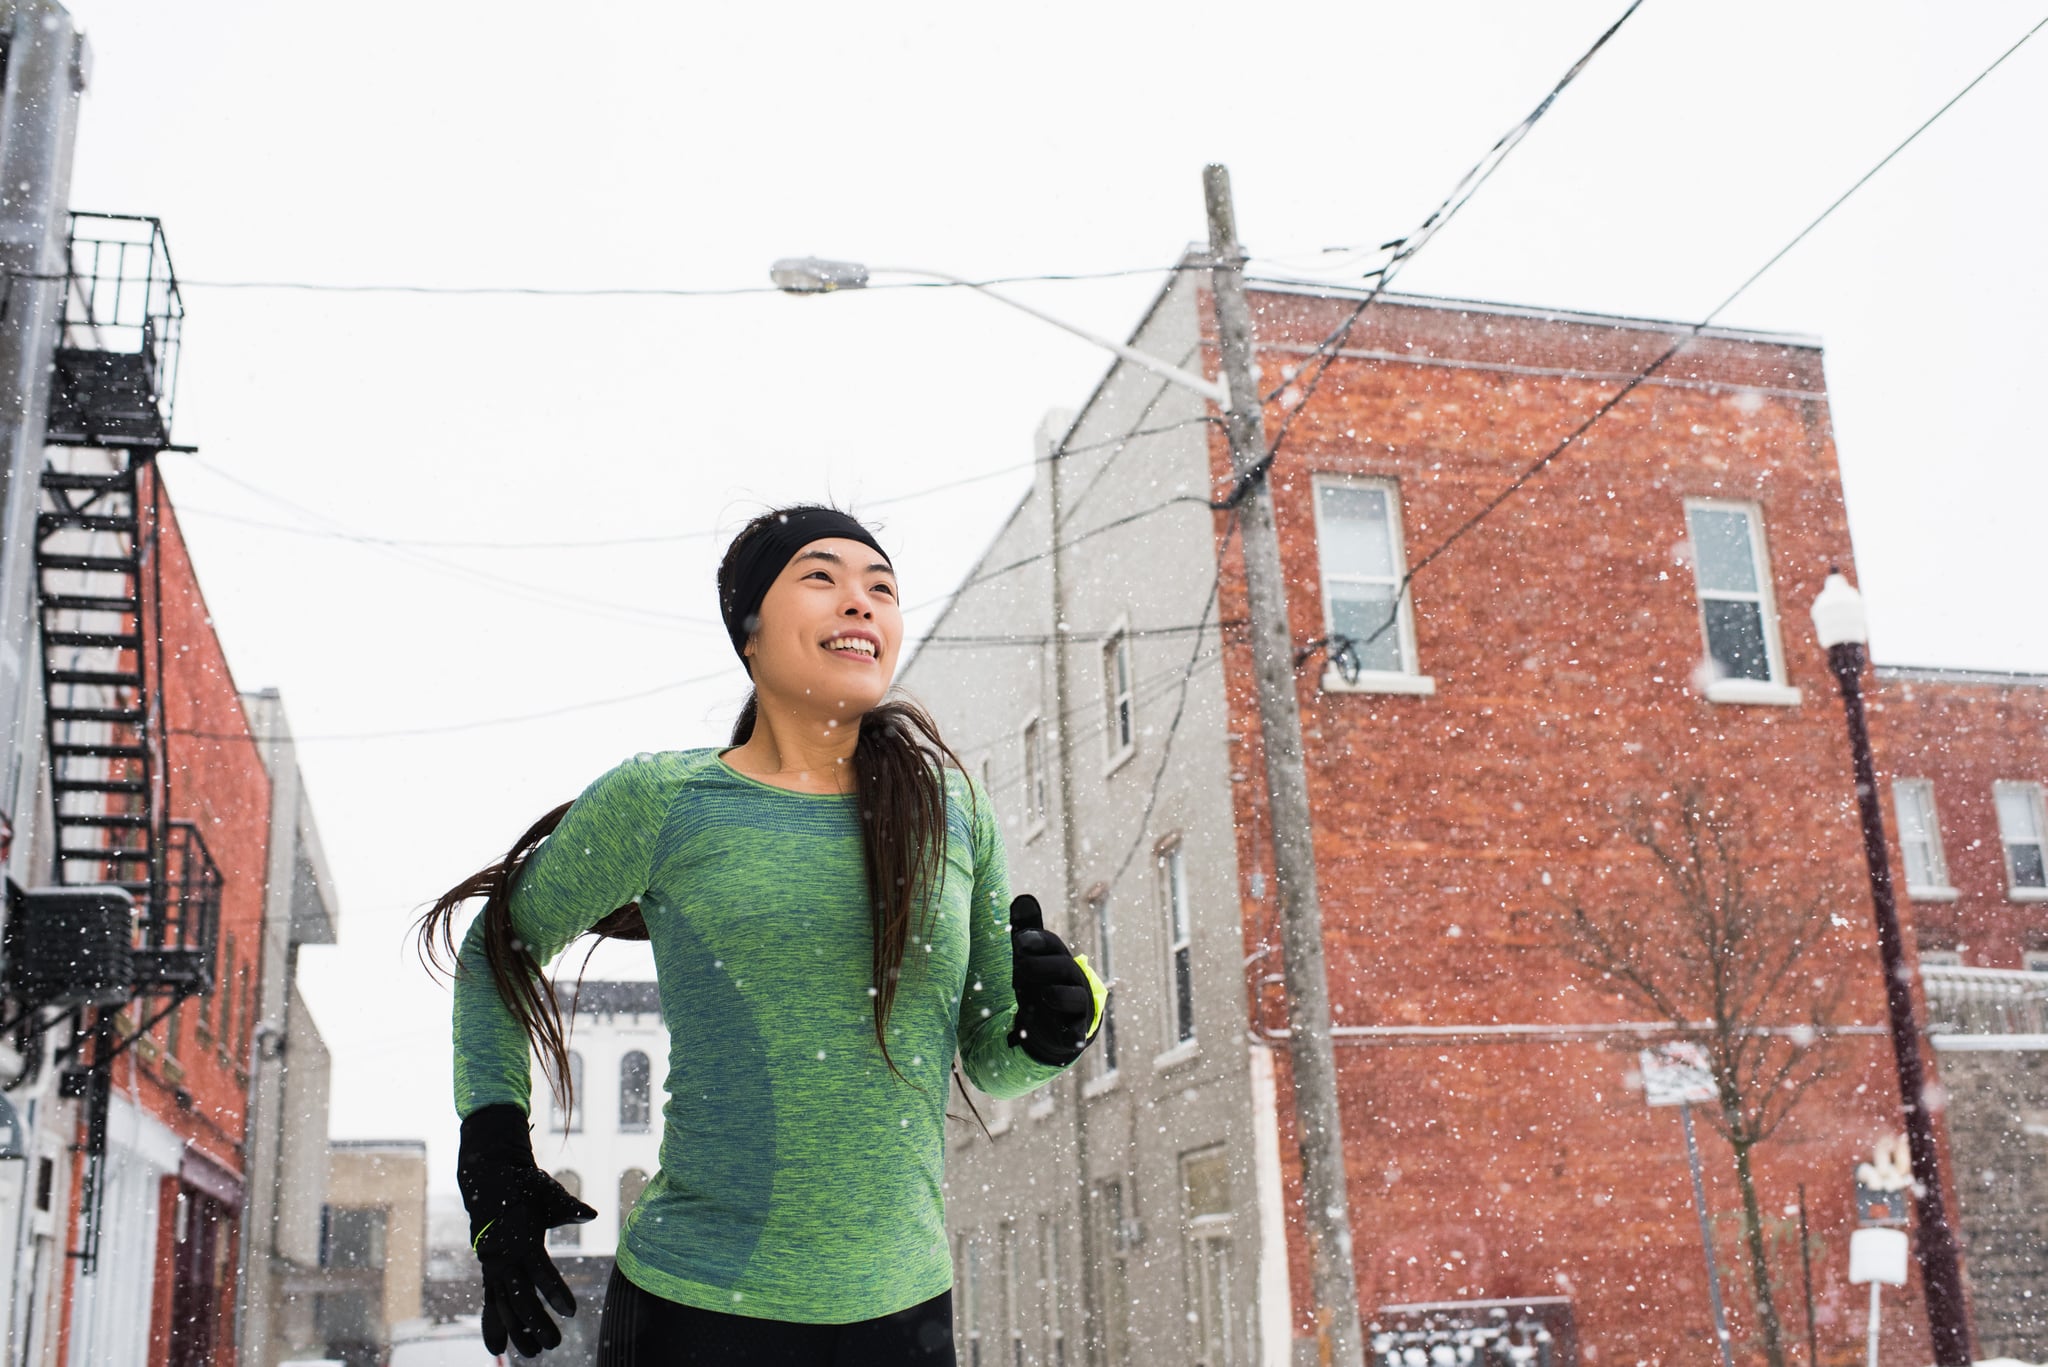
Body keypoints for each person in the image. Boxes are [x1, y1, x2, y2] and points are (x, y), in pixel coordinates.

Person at [417, 505, 1106, 1366]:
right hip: (693, 1310)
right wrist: (492, 1144)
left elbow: (996, 1057)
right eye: (822, 577)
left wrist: (1058, 1025)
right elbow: (499, 946)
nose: (861, 603)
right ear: (750, 632)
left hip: (903, 1315)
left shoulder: (950, 811)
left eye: (882, 588)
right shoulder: (665, 800)